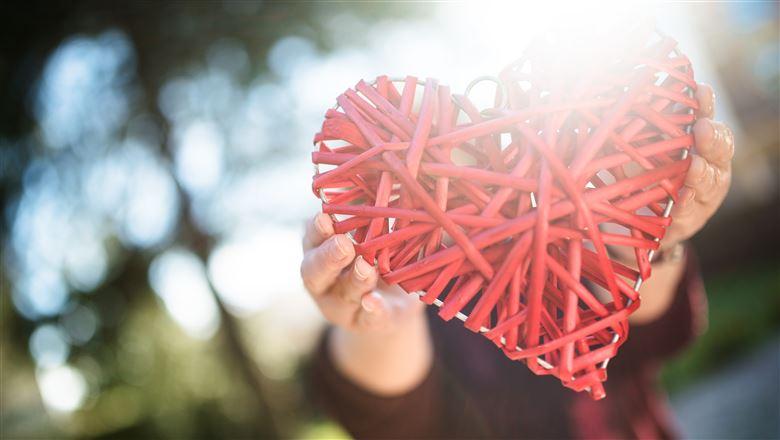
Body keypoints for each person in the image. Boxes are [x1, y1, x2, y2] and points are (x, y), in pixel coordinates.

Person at [301, 83, 734, 439]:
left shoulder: (561, 219)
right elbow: (389, 418)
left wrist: (648, 237)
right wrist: (383, 321)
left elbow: (656, 336)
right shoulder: (408, 287)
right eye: (408, 174)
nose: (431, 178)